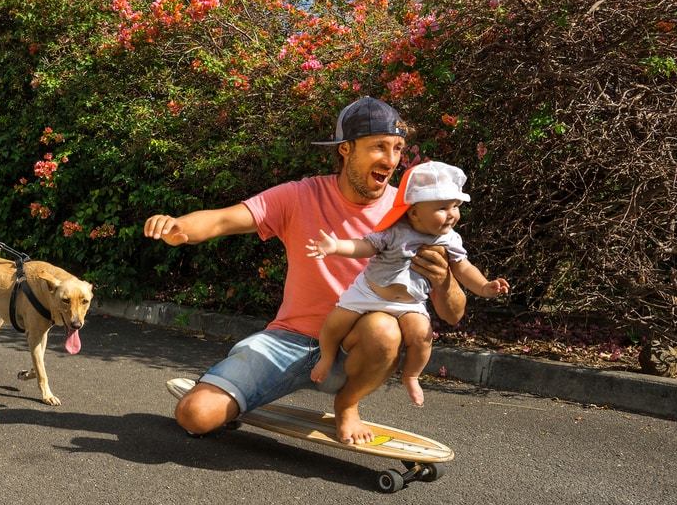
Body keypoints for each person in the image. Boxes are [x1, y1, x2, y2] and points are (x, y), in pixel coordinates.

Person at [143, 97, 466, 445]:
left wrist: (443, 279)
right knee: (195, 416)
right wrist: (179, 227)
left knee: (385, 328)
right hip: (292, 340)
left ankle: (348, 404)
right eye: (379, 147)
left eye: (398, 148)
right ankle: (230, 392)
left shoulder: (413, 214)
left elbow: (453, 313)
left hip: (359, 348)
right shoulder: (301, 196)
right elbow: (224, 219)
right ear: (346, 149)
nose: (390, 160)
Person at [306, 160, 509, 407]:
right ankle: (326, 357)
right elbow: (365, 246)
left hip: (411, 302)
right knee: (336, 321)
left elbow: (464, 268)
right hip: (370, 293)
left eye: (455, 206)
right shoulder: (395, 231)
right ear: (413, 212)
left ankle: (412, 375)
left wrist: (484, 286)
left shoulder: (450, 239)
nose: (452, 214)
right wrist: (335, 246)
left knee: (422, 335)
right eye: (443, 207)